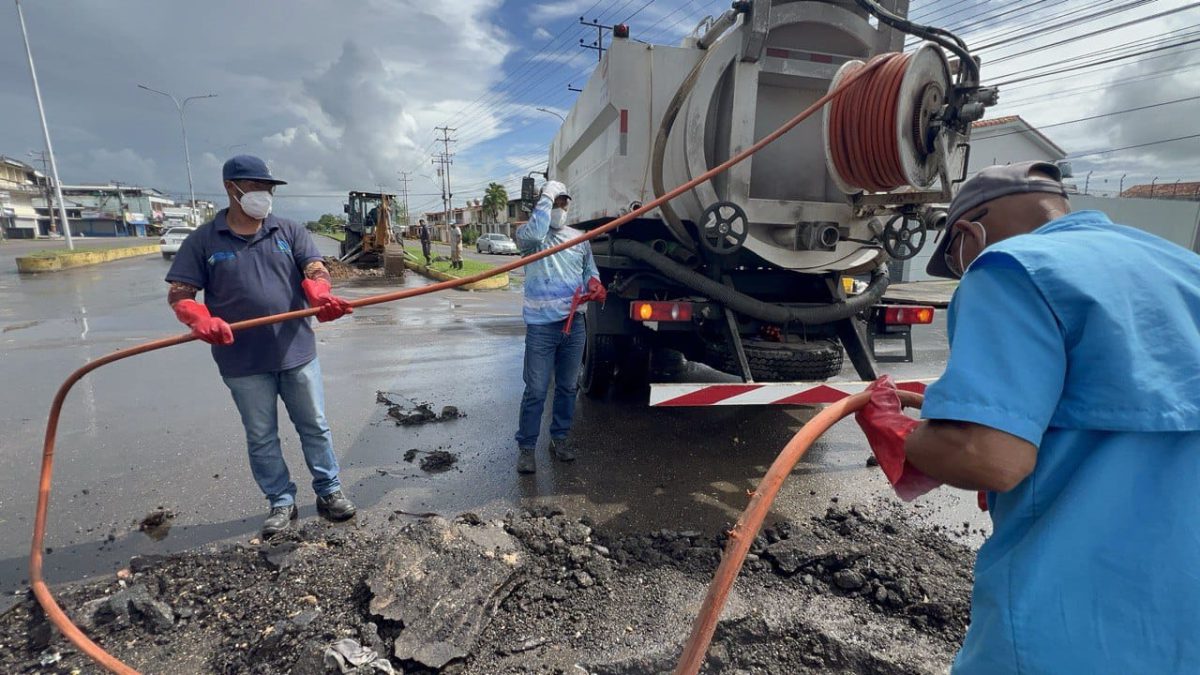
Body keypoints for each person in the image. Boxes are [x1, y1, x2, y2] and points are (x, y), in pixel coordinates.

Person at [859, 161, 1200, 673]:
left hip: (1073, 623)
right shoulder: (1181, 268)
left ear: (968, 235)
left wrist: (902, 434)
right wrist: (952, 407)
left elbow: (988, 456)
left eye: (955, 262)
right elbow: (1116, 397)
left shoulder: (1011, 267)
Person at [165, 155, 358, 537]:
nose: (263, 195)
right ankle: (281, 501)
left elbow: (315, 268)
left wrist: (319, 294)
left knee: (315, 426)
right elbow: (180, 292)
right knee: (261, 435)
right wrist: (199, 318)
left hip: (296, 351)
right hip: (242, 360)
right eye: (255, 187)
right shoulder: (204, 240)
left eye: (267, 188)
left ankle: (329, 490)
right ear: (231, 189)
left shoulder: (287, 230)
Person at [512, 180, 606, 474]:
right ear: (544, 204)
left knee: (567, 387)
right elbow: (537, 231)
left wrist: (594, 282)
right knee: (537, 390)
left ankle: (560, 439)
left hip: (573, 325)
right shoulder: (530, 236)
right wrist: (548, 193)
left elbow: (590, 269)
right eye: (554, 202)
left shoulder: (580, 239)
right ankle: (527, 448)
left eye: (564, 202)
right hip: (542, 329)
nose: (559, 208)